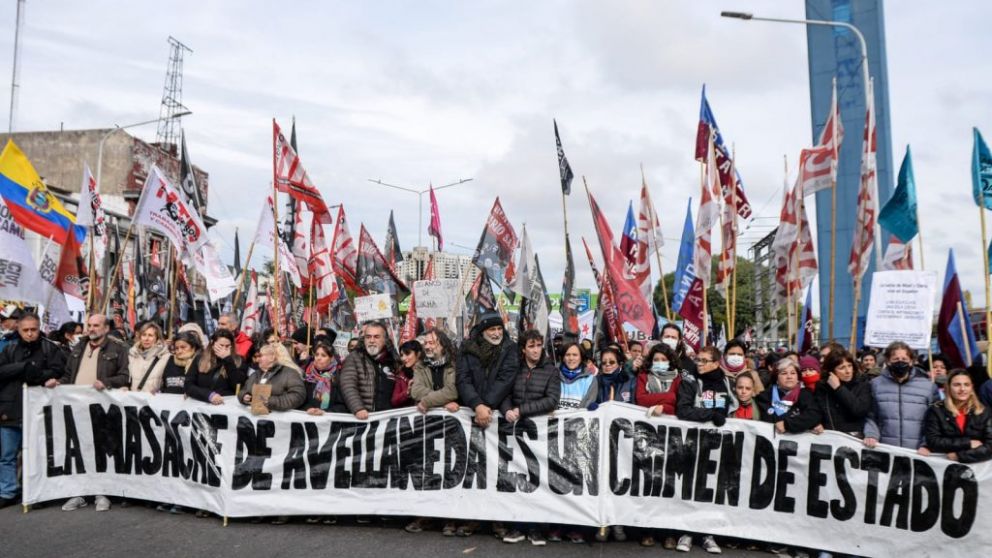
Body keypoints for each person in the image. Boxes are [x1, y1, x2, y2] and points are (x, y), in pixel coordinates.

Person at [48, 313, 130, 512]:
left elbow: (125, 376)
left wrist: (107, 383)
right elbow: (69, 375)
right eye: (89, 325)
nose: (91, 328)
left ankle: (101, 492)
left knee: (100, 449)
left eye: (96, 325)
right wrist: (58, 382)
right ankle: (79, 493)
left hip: (102, 407)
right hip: (77, 406)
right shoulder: (79, 347)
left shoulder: (118, 348)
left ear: (106, 328)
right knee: (80, 449)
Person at [455, 310, 517, 537]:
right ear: (482, 331)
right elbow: (462, 379)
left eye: (499, 328)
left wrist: (487, 405)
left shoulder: (510, 348)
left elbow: (507, 378)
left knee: (498, 470)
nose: (497, 333)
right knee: (473, 469)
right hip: (474, 414)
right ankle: (472, 517)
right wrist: (476, 405)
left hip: (494, 416)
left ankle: (498, 520)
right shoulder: (467, 348)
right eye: (492, 329)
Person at [0, 313, 66, 508]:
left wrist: (35, 375)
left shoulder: (50, 348)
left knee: (38, 453)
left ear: (39, 328)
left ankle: (36, 490)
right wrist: (23, 367)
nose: (30, 334)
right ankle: (8, 491)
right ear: (18, 330)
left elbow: (58, 371)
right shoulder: (9, 348)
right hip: (10, 408)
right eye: (25, 330)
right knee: (7, 455)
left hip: (38, 410)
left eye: (33, 329)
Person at [500, 329, 559, 546]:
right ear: (523, 349)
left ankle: (536, 528)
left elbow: (551, 400)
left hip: (538, 435)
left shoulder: (551, 371)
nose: (535, 350)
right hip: (514, 433)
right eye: (531, 346)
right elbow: (504, 393)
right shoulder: (514, 369)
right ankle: (518, 526)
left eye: (538, 345)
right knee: (516, 478)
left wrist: (521, 411)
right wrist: (507, 409)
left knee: (537, 479)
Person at [674, 345, 735, 554]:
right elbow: (683, 410)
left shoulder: (726, 382)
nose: (698, 364)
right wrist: (710, 415)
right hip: (693, 442)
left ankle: (708, 534)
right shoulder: (690, 381)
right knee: (691, 486)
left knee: (712, 488)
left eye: (703, 361)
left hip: (717, 445)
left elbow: (730, 409)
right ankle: (687, 532)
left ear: (716, 364)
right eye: (697, 360)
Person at [404, 328, 460, 536]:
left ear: (443, 345)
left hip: (452, 428)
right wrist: (443, 403)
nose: (427, 346)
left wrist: (428, 401)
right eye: (425, 342)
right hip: (428, 427)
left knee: (450, 469)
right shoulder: (420, 365)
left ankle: (451, 517)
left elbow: (453, 390)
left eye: (432, 342)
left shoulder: (453, 364)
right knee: (427, 468)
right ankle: (426, 514)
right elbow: (416, 390)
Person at [864, 341, 940, 451]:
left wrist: (926, 444)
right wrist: (871, 434)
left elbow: (935, 421)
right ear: (888, 361)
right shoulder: (875, 385)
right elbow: (870, 415)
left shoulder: (928, 387)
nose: (900, 362)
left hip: (918, 453)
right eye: (895, 359)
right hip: (885, 451)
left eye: (904, 359)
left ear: (911, 362)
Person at [924, 369, 992, 463]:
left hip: (978, 472)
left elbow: (990, 446)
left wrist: (960, 456)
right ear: (948, 387)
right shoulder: (936, 409)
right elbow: (933, 441)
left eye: (966, 385)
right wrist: (967, 443)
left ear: (972, 388)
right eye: (957, 385)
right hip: (945, 468)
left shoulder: (984, 412)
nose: (962, 389)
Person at [340, 321, 400, 419]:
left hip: (389, 421)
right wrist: (358, 408)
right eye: (368, 337)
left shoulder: (393, 361)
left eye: (376, 337)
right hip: (364, 420)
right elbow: (348, 384)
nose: (371, 340)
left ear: (385, 340)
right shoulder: (354, 358)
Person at [813, 349, 871, 437]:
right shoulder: (822, 387)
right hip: (829, 437)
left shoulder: (862, 384)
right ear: (831, 371)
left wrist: (839, 389)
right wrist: (816, 423)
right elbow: (817, 410)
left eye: (849, 366)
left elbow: (859, 410)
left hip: (854, 438)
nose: (848, 371)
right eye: (841, 368)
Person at [755, 359, 822, 434]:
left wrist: (787, 424)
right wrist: (804, 423)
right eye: (784, 373)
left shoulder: (805, 394)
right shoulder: (765, 396)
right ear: (776, 378)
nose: (789, 377)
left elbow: (814, 415)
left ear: (798, 378)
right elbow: (769, 419)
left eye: (793, 373)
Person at [186, 329, 247, 404]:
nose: (224, 349)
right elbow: (188, 385)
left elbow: (238, 385)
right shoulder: (200, 359)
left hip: (226, 406)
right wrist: (208, 395)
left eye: (227, 346)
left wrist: (227, 360)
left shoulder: (239, 360)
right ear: (212, 343)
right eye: (221, 345)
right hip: (201, 405)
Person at [636, 343, 682, 418]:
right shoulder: (643, 377)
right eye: (656, 360)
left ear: (670, 361)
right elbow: (641, 400)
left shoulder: (677, 379)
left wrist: (663, 408)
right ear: (651, 361)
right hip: (647, 419)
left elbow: (679, 405)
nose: (660, 362)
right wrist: (671, 396)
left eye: (664, 360)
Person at [302, 343, 345, 417]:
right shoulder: (308, 375)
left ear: (331, 358)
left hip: (329, 422)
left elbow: (342, 405)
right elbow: (301, 400)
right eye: (317, 354)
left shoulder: (338, 377)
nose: (318, 358)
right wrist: (308, 408)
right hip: (308, 419)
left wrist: (324, 412)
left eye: (323, 355)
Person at [128, 322, 170, 393]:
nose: (146, 339)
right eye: (144, 335)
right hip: (135, 401)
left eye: (150, 335)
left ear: (157, 338)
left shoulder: (165, 357)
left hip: (154, 401)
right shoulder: (132, 355)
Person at [159, 332, 201, 396]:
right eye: (177, 348)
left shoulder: (200, 363)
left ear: (193, 348)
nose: (179, 351)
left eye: (183, 347)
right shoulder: (169, 361)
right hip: (168, 402)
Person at [392, 339, 421, 408]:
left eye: (407, 354)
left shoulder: (430, 370)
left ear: (418, 354)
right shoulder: (401, 375)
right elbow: (394, 400)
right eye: (402, 355)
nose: (404, 358)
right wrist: (407, 392)